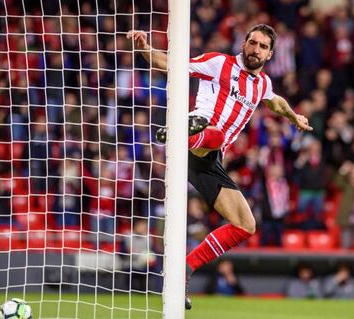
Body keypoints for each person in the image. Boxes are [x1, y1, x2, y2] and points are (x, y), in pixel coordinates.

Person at [127, 24, 313, 310]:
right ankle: (186, 132)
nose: (255, 49)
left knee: (246, 224)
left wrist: (293, 116)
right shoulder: (218, 63)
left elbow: (275, 102)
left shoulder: (262, 84)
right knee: (216, 133)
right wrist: (145, 48)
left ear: (270, 54)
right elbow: (173, 65)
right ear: (244, 43)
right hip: (202, 140)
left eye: (262, 46)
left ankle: (184, 270)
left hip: (208, 158)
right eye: (252, 42)